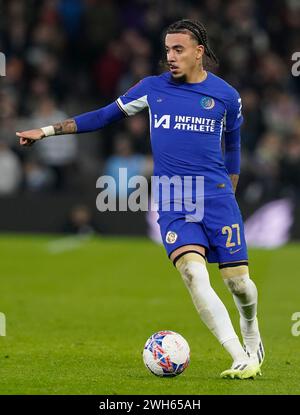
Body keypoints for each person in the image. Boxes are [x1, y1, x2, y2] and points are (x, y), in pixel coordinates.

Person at [17, 19, 264, 379]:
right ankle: (239, 355)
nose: (170, 57)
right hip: (173, 200)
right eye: (167, 50)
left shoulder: (226, 95)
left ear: (199, 52)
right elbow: (102, 116)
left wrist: (231, 190)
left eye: (178, 49)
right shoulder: (152, 89)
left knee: (238, 284)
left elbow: (234, 147)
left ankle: (251, 326)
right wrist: (47, 130)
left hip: (216, 197)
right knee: (193, 274)